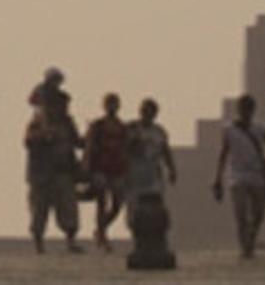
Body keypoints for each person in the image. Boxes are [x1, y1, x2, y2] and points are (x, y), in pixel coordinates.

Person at [212, 94, 265, 258]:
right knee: (240, 212)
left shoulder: (261, 128)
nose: (245, 112)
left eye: (248, 109)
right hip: (237, 175)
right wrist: (218, 177)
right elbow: (224, 154)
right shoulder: (229, 130)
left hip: (257, 174)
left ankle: (251, 238)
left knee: (259, 212)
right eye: (243, 109)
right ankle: (245, 246)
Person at [24, 90, 84, 254]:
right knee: (39, 210)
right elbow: (29, 142)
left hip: (63, 172)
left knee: (69, 209)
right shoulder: (38, 122)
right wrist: (45, 137)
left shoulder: (67, 123)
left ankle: (71, 242)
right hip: (41, 175)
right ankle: (39, 244)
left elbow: (77, 142)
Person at [84, 93, 128, 251]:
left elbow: (126, 148)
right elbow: (89, 148)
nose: (112, 107)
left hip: (117, 170)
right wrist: (88, 170)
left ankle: (101, 229)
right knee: (101, 201)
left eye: (115, 104)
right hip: (100, 169)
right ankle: (102, 237)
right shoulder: (98, 126)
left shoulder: (122, 127)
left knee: (117, 204)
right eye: (109, 104)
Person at [125, 98, 177, 225]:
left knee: (154, 203)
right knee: (134, 206)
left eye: (150, 112)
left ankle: (153, 231)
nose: (147, 114)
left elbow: (165, 151)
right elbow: (122, 148)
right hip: (134, 174)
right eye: (144, 111)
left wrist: (172, 169)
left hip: (153, 174)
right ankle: (135, 230)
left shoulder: (159, 131)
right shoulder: (131, 128)